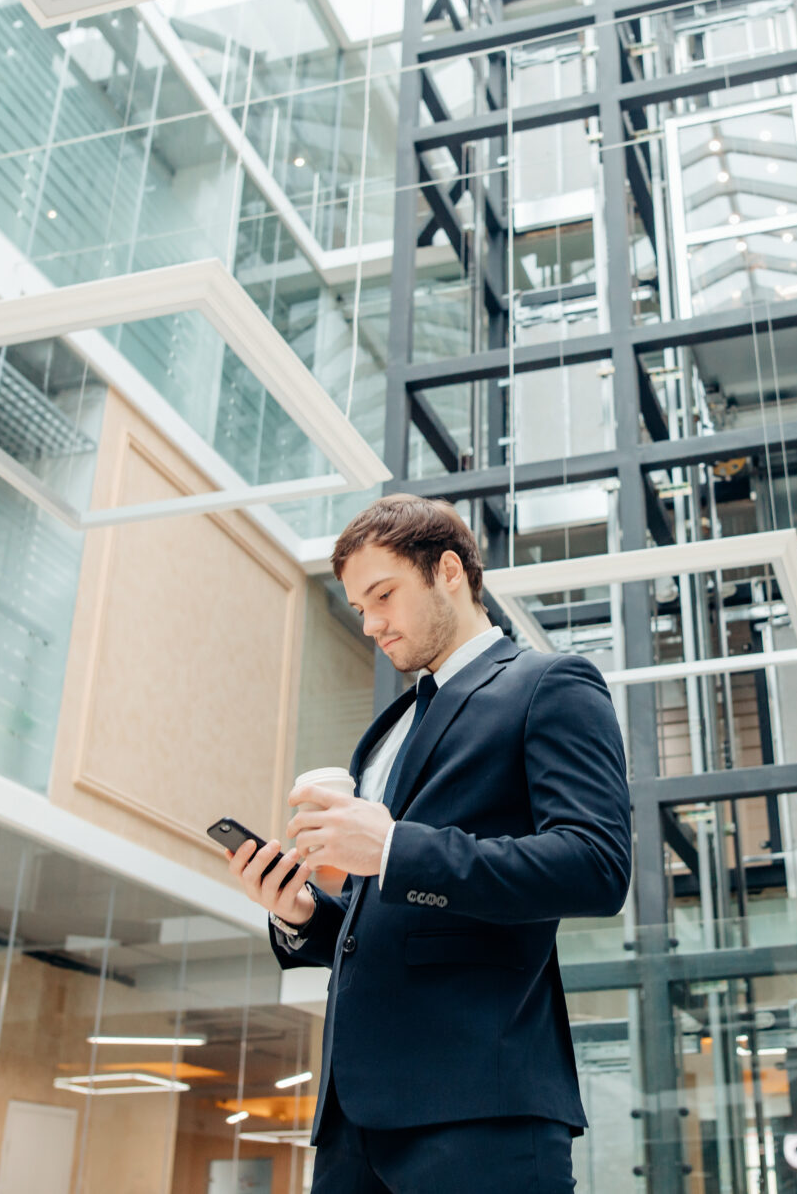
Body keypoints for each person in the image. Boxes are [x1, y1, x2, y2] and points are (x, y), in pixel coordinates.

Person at [226, 493, 631, 1193]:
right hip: (353, 1124)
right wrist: (300, 914)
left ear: (448, 570)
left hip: (480, 1110)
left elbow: (596, 865)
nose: (371, 624)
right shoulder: (385, 731)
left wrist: (392, 849)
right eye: (359, 608)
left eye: (383, 595)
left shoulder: (549, 684)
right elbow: (385, 922)